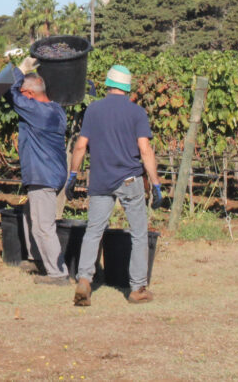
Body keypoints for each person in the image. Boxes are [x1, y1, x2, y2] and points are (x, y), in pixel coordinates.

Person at [68, 64, 161, 305]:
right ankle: (137, 288)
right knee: (139, 234)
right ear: (128, 87)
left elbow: (80, 145)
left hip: (100, 178)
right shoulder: (137, 112)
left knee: (94, 230)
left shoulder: (93, 110)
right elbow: (145, 149)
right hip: (129, 179)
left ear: (108, 85)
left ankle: (85, 280)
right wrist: (156, 182)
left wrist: (72, 175)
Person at [6, 56, 70, 286]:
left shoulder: (37, 111)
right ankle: (36, 258)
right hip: (53, 172)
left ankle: (57, 274)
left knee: (44, 226)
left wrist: (19, 70)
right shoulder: (56, 109)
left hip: (43, 175)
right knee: (29, 215)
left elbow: (9, 93)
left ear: (30, 94)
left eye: (25, 94)